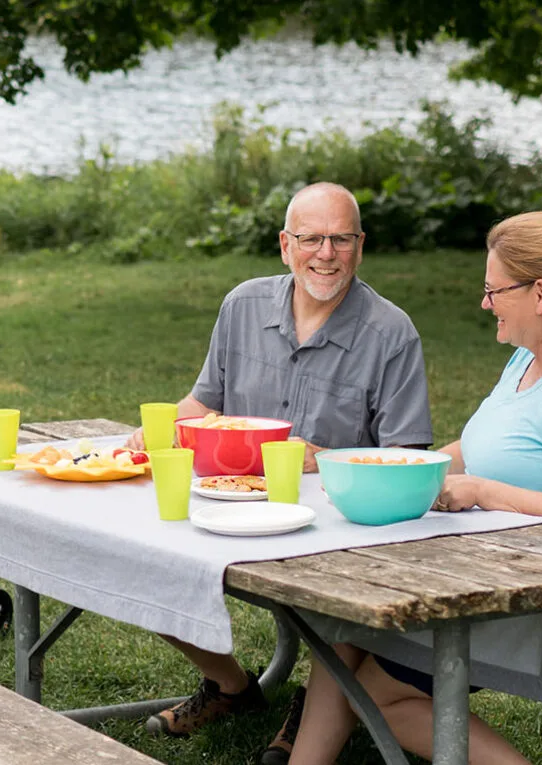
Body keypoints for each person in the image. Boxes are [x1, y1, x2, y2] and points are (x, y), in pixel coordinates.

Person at [282, 210, 542, 765]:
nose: (484, 303)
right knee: (347, 625)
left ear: (541, 294)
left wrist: (481, 491)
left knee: (378, 694)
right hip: (497, 571)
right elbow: (473, 450)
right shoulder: (526, 360)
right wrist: (361, 466)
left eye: (494, 290)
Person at [124, 182, 433, 749]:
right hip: (227, 505)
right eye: (311, 239)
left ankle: (316, 703)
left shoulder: (391, 333)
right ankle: (230, 684)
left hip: (336, 533)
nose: (326, 253)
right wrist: (159, 429)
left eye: (341, 239)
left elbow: (408, 463)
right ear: (285, 245)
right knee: (139, 557)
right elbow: (204, 404)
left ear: (360, 246)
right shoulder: (242, 305)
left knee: (343, 604)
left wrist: (328, 460)